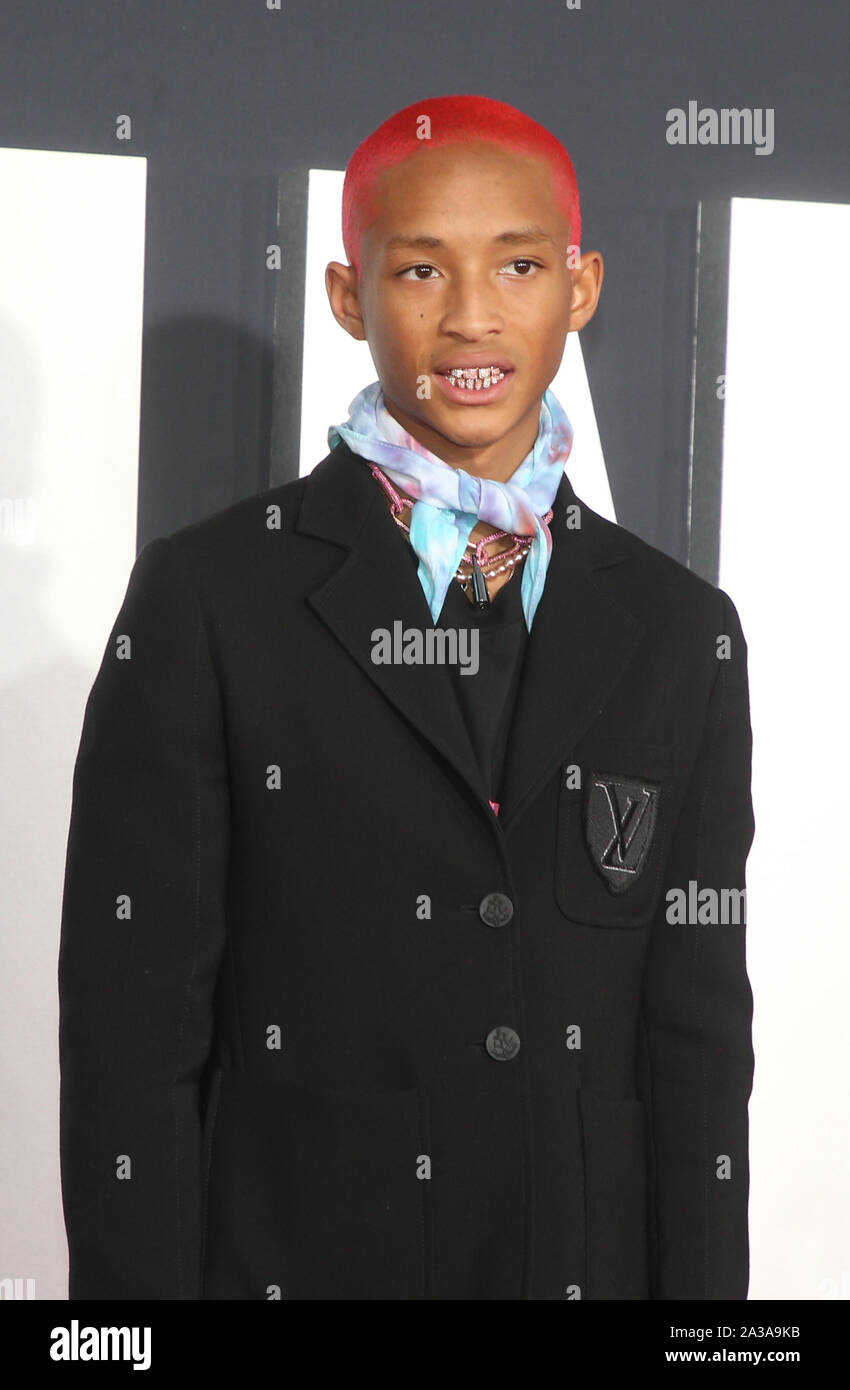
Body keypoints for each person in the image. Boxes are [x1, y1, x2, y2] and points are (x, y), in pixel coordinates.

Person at [58, 93, 755, 1300]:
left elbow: (697, 1051)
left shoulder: (682, 632)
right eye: (421, 268)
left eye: (520, 264)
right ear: (346, 295)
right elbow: (133, 1032)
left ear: (581, 288)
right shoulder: (211, 596)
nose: (473, 314)